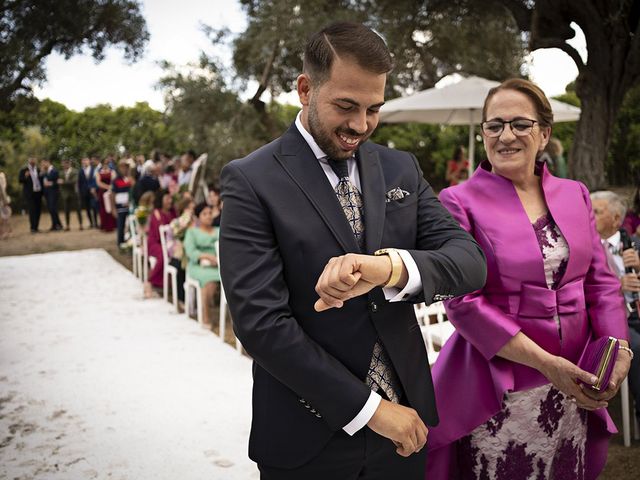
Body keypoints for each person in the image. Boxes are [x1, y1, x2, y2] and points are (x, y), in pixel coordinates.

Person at [219, 22, 486, 480]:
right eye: (346, 106)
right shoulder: (251, 179)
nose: (360, 125)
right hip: (306, 437)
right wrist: (374, 411)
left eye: (373, 109)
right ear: (305, 89)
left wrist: (388, 268)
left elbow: (470, 263)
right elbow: (260, 325)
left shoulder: (400, 167)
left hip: (407, 432)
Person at [426, 78, 631, 480]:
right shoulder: (457, 201)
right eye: (494, 125)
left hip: (576, 379)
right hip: (500, 384)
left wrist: (616, 347)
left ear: (544, 133)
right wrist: (546, 363)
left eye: (520, 124)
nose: (506, 135)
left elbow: (601, 282)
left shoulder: (576, 194)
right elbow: (462, 302)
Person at [591, 190, 640, 426]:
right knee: (637, 348)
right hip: (614, 322)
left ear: (617, 219)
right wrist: (617, 287)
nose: (590, 217)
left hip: (638, 311)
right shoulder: (584, 249)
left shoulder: (635, 244)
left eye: (597, 212)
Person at [184, 202, 220, 326]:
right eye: (205, 214)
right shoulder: (192, 232)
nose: (209, 216)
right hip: (199, 265)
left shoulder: (219, 230)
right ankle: (206, 316)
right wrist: (207, 256)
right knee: (208, 280)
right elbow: (190, 251)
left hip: (219, 264)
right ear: (199, 217)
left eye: (210, 213)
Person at [145, 189, 176, 297]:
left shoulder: (173, 212)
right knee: (164, 255)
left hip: (170, 242)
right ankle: (150, 281)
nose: (170, 201)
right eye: (167, 198)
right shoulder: (156, 213)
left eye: (170, 198)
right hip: (156, 243)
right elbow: (159, 233)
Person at [18, 157, 43, 233]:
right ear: (28, 161)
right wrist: (25, 176)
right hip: (30, 194)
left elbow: (41, 180)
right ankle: (32, 228)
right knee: (32, 210)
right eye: (31, 159)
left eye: (34, 159)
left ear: (35, 161)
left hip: (38, 193)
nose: (32, 161)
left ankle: (36, 227)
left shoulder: (38, 170)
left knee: (38, 210)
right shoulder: (24, 170)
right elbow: (20, 180)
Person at [112, 159, 133, 248]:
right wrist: (113, 208)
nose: (124, 169)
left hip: (130, 206)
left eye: (126, 167)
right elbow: (113, 194)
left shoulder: (131, 179)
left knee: (132, 224)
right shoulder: (115, 180)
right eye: (122, 167)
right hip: (120, 206)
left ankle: (131, 242)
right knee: (121, 225)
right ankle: (120, 243)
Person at [59, 158, 82, 230]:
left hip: (74, 193)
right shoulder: (61, 173)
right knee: (66, 210)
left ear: (69, 164)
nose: (64, 164)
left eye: (66, 163)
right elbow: (60, 184)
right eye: (63, 163)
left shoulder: (75, 171)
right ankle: (67, 225)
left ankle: (80, 224)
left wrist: (63, 182)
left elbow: (74, 181)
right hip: (65, 194)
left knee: (78, 209)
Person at [40, 158, 63, 231]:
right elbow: (41, 180)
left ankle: (57, 225)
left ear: (48, 162)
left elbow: (59, 181)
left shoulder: (55, 171)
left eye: (43, 163)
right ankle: (56, 224)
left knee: (53, 208)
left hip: (54, 192)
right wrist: (41, 173)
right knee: (51, 209)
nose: (42, 165)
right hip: (47, 193)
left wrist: (51, 183)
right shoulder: (44, 172)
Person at [95, 159, 116, 232]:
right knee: (103, 209)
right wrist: (107, 187)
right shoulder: (98, 172)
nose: (105, 165)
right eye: (104, 163)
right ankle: (104, 225)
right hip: (102, 192)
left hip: (110, 192)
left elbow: (114, 181)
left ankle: (112, 225)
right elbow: (98, 183)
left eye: (107, 163)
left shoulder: (112, 171)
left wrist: (111, 187)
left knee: (111, 207)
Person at [78, 157, 97, 228]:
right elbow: (79, 183)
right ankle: (91, 223)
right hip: (84, 192)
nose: (85, 162)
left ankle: (96, 223)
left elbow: (95, 179)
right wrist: (80, 192)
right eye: (83, 161)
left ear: (89, 161)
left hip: (92, 191)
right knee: (87, 208)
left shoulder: (93, 169)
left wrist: (94, 187)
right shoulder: (80, 171)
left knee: (94, 206)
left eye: (86, 160)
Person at [89, 155, 102, 228]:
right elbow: (91, 180)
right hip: (93, 192)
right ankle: (96, 223)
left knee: (100, 208)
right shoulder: (93, 169)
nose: (91, 161)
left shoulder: (101, 168)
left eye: (93, 160)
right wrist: (91, 188)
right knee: (94, 207)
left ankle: (102, 223)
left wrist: (95, 188)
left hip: (99, 191)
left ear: (97, 160)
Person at [0, 171, 12, 239]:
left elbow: (2, 190)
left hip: (2, 201)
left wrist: (5, 201)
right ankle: (7, 231)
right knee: (5, 217)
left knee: (4, 217)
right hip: (2, 200)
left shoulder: (1, 176)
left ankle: (6, 232)